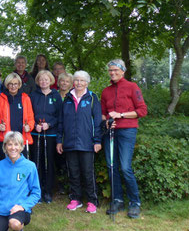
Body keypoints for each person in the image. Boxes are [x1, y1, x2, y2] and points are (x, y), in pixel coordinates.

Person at [101, 59, 147, 219]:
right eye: (110, 70)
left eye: (115, 70)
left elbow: (142, 110)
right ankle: (118, 200)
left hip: (127, 130)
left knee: (126, 167)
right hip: (111, 132)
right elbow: (102, 113)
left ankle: (135, 202)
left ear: (123, 71)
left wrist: (120, 115)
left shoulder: (132, 87)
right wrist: (106, 121)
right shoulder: (106, 91)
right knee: (111, 166)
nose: (112, 73)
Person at [57, 71, 102, 214]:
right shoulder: (67, 99)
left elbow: (97, 122)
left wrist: (97, 140)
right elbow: (61, 121)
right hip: (70, 142)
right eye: (76, 80)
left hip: (87, 142)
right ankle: (75, 199)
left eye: (82, 80)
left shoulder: (92, 98)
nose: (79, 83)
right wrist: (59, 141)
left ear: (87, 83)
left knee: (88, 173)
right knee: (73, 172)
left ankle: (92, 201)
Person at [30, 70, 62, 203]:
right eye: (41, 79)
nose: (43, 82)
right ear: (38, 81)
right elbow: (29, 113)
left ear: (50, 81)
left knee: (48, 162)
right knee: (36, 162)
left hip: (50, 133)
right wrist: (33, 125)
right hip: (35, 133)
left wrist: (49, 124)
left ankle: (48, 191)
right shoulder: (33, 95)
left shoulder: (56, 95)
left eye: (46, 79)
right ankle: (37, 191)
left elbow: (60, 115)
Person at [0, 73, 34, 160]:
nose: (13, 86)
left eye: (15, 84)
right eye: (10, 84)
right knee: (6, 167)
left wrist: (29, 127)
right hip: (5, 138)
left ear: (19, 85)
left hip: (21, 139)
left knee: (21, 166)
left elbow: (31, 119)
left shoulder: (26, 98)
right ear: (7, 85)